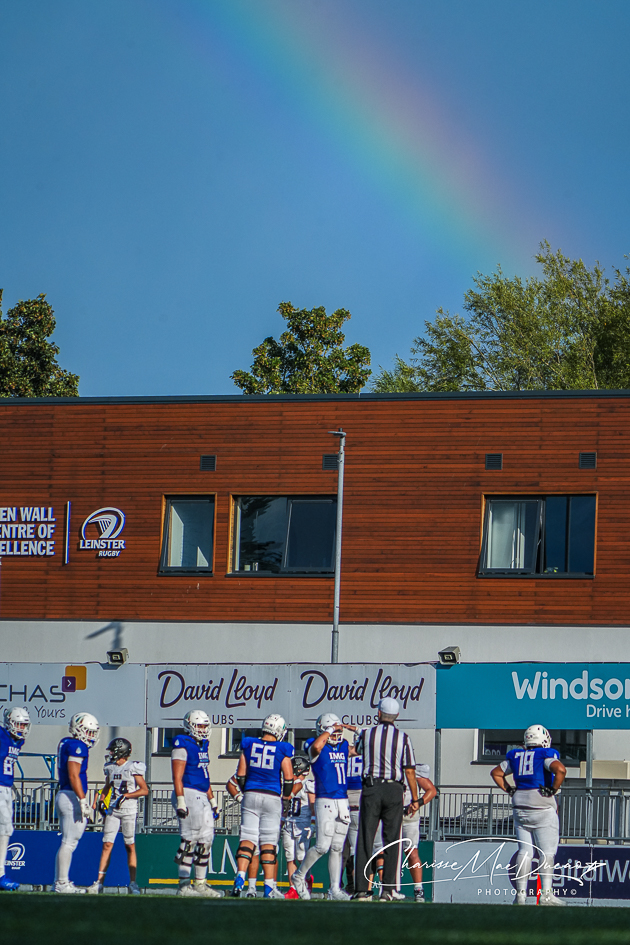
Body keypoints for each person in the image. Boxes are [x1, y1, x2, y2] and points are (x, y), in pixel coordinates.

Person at [491, 724, 566, 907]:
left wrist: (509, 789)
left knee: (525, 851)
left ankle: (520, 895)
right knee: (547, 852)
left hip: (520, 804)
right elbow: (560, 770)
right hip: (541, 804)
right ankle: (546, 895)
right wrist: (553, 789)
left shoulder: (516, 755)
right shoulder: (545, 754)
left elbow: (496, 773)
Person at [353, 697, 420, 902]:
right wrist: (415, 798)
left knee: (365, 837)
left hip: (372, 787)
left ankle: (361, 890)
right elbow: (410, 770)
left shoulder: (367, 734)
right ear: (397, 716)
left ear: (379, 714)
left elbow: (358, 751)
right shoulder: (403, 737)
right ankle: (388, 890)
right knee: (392, 840)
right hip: (394, 789)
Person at [232, 714, 294, 899]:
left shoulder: (249, 744)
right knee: (268, 843)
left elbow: (240, 775)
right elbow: (288, 778)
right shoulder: (282, 748)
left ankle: (240, 878)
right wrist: (285, 798)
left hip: (251, 793)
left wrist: (247, 791)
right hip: (272, 796)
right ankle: (268, 887)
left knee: (247, 838)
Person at [290, 712, 352, 901]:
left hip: (342, 799)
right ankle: (299, 876)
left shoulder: (343, 745)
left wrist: (360, 731)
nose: (336, 734)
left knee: (337, 847)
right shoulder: (313, 744)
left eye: (338, 731)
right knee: (322, 847)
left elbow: (361, 749)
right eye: (332, 731)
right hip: (325, 799)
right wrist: (330, 729)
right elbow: (317, 746)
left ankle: (334, 888)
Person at [171, 709, 222, 898]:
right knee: (189, 840)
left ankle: (200, 884)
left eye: (204, 726)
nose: (202, 729)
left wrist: (213, 800)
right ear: (189, 725)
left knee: (206, 840)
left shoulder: (202, 745)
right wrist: (181, 800)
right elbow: (177, 776)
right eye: (199, 725)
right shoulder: (182, 744)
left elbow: (204, 776)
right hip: (188, 793)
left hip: (201, 795)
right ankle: (184, 885)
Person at [88, 737, 149, 895]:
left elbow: (144, 790)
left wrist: (127, 796)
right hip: (113, 811)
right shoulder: (110, 768)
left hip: (129, 810)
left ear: (120, 751)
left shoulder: (132, 767)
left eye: (112, 751)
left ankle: (133, 883)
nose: (110, 754)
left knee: (129, 845)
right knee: (107, 844)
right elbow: (107, 786)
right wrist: (102, 799)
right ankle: (99, 883)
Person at [54, 712, 100, 893]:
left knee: (68, 842)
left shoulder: (66, 742)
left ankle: (59, 881)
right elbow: (74, 775)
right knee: (69, 842)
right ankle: (61, 883)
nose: (91, 736)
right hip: (71, 795)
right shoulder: (77, 746)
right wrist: (82, 799)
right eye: (88, 731)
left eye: (92, 732)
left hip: (65, 794)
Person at [0, 707, 30, 892]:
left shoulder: (18, 741)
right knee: (4, 829)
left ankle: (0, 873)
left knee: (6, 830)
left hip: (6, 788)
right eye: (18, 724)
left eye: (24, 725)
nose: (22, 728)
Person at [400, 763, 436, 901]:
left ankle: (418, 888)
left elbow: (431, 790)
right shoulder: (387, 767)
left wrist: (418, 802)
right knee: (387, 852)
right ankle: (386, 889)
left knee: (412, 852)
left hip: (408, 815)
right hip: (389, 814)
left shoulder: (414, 770)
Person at [226, 771, 262, 897]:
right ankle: (259, 888)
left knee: (251, 845)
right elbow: (231, 784)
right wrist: (240, 798)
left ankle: (243, 880)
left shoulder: (249, 767)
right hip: (266, 806)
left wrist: (242, 799)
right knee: (260, 848)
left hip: (252, 806)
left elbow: (230, 784)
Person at [281, 754, 316, 883]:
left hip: (302, 824)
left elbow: (312, 805)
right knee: (289, 856)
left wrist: (313, 823)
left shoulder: (307, 785)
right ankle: (292, 888)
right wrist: (281, 822)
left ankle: (306, 880)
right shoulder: (288, 784)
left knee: (302, 857)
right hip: (288, 823)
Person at [342, 749, 363, 893]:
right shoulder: (369, 755)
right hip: (361, 803)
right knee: (358, 851)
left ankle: (338, 885)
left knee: (341, 850)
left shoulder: (344, 753)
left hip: (343, 802)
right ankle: (358, 887)